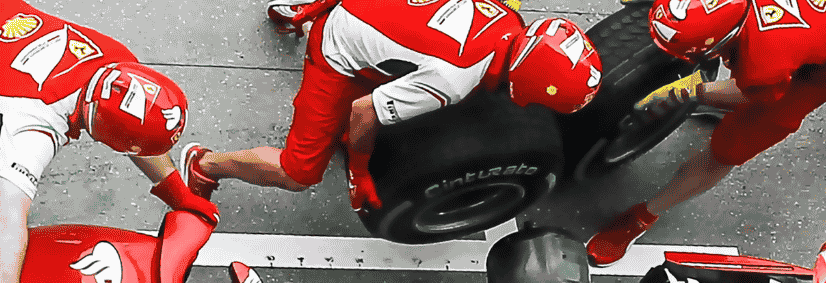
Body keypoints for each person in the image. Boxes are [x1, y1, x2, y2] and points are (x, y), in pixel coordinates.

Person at [0, 0, 217, 283]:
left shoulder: (118, 61)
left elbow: (139, 122)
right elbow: (7, 223)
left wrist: (179, 194)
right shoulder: (36, 125)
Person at [184, 0, 600, 211]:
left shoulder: (505, 17)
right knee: (299, 172)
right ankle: (204, 164)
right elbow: (363, 112)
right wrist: (359, 171)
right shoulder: (454, 79)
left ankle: (306, 8)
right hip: (336, 45)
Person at [588, 0, 826, 266]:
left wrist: (683, 92)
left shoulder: (764, 62)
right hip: (824, 20)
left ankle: (644, 215)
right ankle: (708, 101)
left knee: (730, 148)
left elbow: (748, 94)